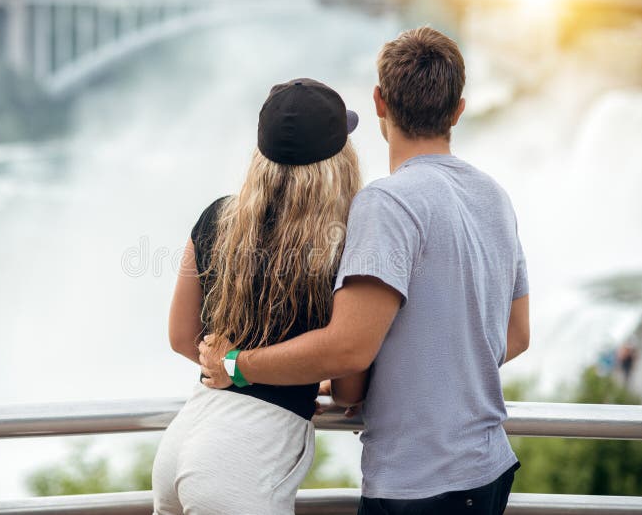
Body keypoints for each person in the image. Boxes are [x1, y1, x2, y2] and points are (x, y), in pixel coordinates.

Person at [200, 27, 531, 515]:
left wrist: (236, 366)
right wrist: (426, 374)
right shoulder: (493, 197)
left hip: (419, 483)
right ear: (458, 110)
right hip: (488, 471)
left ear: (379, 102)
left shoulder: (386, 202)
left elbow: (350, 347)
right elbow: (517, 334)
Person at [152, 78, 363, 514]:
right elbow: (347, 385)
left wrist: (234, 367)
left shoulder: (216, 218)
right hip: (242, 462)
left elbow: (180, 336)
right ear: (336, 164)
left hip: (184, 439)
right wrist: (289, 372)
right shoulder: (341, 247)